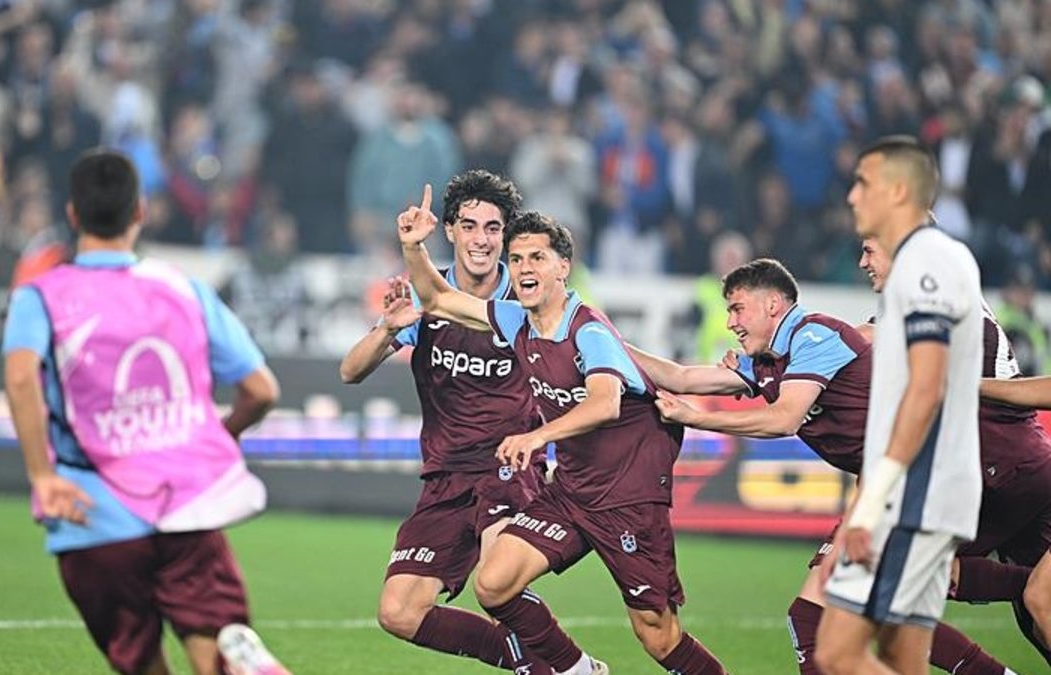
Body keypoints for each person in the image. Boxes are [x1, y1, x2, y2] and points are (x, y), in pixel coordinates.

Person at [642, 255, 1028, 674]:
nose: (730, 322)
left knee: (858, 612)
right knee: (825, 615)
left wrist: (695, 417)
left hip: (915, 473)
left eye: (737, 309)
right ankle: (1032, 588)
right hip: (887, 481)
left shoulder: (814, 337)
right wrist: (606, 341)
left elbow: (784, 419)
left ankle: (1033, 590)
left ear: (772, 304)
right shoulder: (771, 360)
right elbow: (681, 378)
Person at [399, 189, 729, 675]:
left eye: (537, 257)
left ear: (563, 268)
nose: (524, 268)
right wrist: (414, 248)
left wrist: (537, 437)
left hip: (628, 499)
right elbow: (437, 300)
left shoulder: (589, 331)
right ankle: (578, 671)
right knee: (494, 583)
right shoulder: (517, 320)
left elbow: (605, 402)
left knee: (657, 635)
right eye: (517, 259)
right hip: (571, 493)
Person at [2, 149, 289, 675]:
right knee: (215, 648)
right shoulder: (181, 288)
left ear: (72, 214)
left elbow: (21, 377)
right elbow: (261, 390)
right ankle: (237, 658)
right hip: (185, 504)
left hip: (93, 515)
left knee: (139, 663)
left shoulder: (39, 296)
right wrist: (220, 435)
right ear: (140, 212)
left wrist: (41, 476)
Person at [339, 170, 553, 674]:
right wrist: (388, 329)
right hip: (446, 476)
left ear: (505, 235)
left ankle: (571, 666)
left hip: (509, 465)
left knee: (497, 585)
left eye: (493, 228)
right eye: (470, 226)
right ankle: (542, 665)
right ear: (451, 230)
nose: (481, 240)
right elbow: (350, 371)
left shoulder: (528, 299)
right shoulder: (422, 295)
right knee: (398, 611)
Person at [816, 136, 983, 674]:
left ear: (898, 191)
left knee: (837, 653)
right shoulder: (930, 263)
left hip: (914, 497)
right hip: (926, 494)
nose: (851, 195)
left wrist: (870, 506)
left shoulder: (924, 264)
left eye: (863, 182)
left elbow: (926, 389)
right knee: (898, 658)